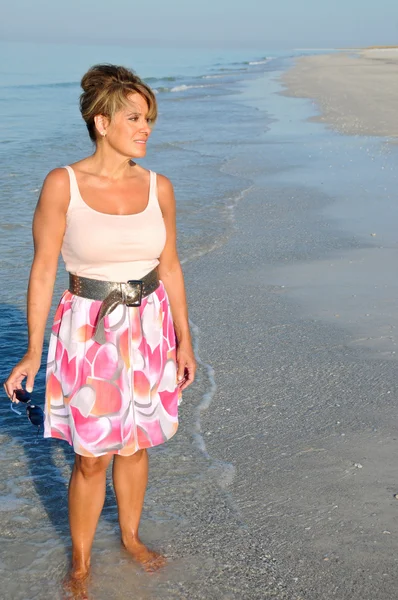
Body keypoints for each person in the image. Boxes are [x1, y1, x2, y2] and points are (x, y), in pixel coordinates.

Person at [3, 64, 196, 586]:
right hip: (87, 332)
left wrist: (185, 340)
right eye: (135, 117)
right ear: (101, 121)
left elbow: (171, 266)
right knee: (92, 456)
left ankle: (130, 537)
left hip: (149, 327)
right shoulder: (63, 183)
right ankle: (81, 561)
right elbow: (43, 270)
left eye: (149, 118)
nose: (146, 128)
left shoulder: (160, 187)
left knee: (135, 446)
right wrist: (31, 350)